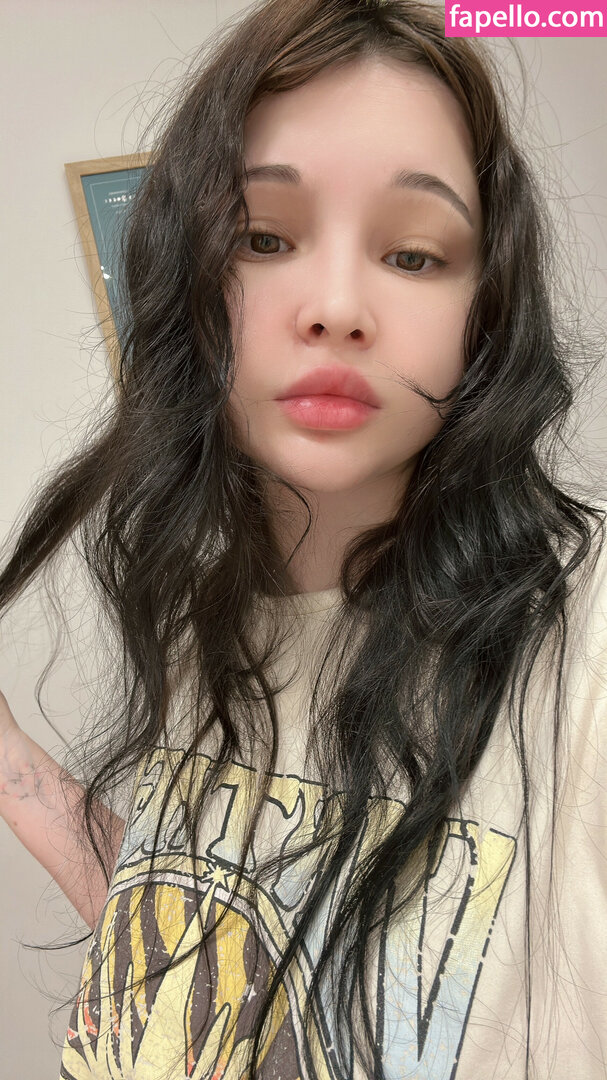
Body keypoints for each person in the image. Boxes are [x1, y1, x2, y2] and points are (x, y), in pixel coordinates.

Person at [0, 0, 605, 1077]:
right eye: (264, 239)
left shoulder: (582, 645)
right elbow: (215, 943)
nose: (333, 305)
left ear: (484, 315)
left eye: (412, 254)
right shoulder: (205, 612)